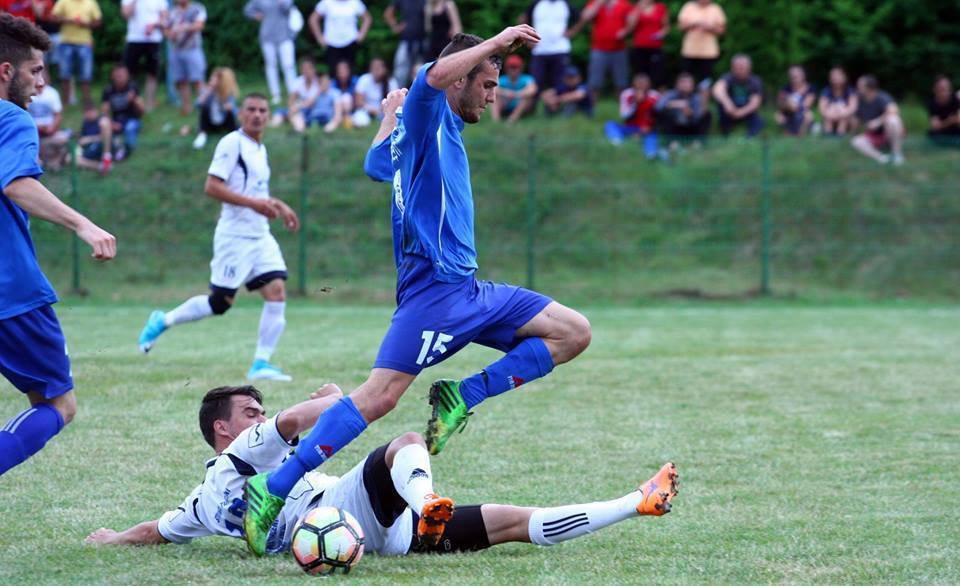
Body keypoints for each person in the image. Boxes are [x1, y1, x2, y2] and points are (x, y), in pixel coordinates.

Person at [243, 26, 595, 559]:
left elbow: (375, 164)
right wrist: (496, 41)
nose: (493, 95)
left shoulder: (424, 124)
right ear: (458, 80)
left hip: (470, 289)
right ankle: (271, 488)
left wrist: (390, 116)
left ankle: (463, 396)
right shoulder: (429, 109)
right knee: (378, 396)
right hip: (434, 292)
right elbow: (430, 79)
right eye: (487, 83)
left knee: (573, 332)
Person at [84, 385, 679, 555]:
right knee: (406, 443)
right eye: (249, 412)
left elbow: (159, 528)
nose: (259, 417)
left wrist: (112, 538)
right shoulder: (246, 450)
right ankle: (425, 505)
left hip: (360, 536)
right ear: (223, 429)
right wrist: (334, 396)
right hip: (336, 513)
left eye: (259, 411)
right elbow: (306, 414)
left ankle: (637, 502)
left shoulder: (203, 502)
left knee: (512, 524)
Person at [0, 13, 116, 476]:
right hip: (11, 292)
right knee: (57, 404)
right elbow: (15, 183)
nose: (42, 83)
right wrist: (84, 225)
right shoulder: (12, 118)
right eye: (35, 70)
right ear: (6, 71)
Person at [137, 94, 300, 381]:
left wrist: (279, 205)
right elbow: (212, 186)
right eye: (251, 109)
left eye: (263, 110)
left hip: (260, 235)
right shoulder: (231, 143)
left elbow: (256, 192)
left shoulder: (259, 149)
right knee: (220, 303)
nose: (257, 115)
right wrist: (254, 205)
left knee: (276, 292)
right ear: (241, 113)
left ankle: (260, 364)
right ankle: (163, 320)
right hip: (234, 237)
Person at [569, 0, 631, 100]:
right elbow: (585, 17)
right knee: (594, 82)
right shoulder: (595, 2)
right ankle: (591, 107)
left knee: (621, 82)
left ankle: (623, 107)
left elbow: (632, 19)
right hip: (598, 49)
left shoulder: (624, 3)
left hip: (619, 48)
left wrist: (626, 30)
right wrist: (599, 3)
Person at [244, 0, 298, 106]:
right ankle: (275, 95)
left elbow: (289, 9)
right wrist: (255, 15)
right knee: (271, 65)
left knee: (288, 65)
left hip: (285, 35)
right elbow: (247, 10)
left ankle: (293, 94)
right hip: (267, 36)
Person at [519, 0, 576, 97]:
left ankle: (557, 105)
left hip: (560, 50)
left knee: (560, 84)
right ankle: (532, 105)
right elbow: (522, 18)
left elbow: (581, 17)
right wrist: (527, 39)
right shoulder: (537, 3)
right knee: (536, 84)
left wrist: (572, 31)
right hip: (539, 50)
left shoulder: (565, 3)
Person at [51, 0, 100, 106]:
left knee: (86, 75)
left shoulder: (90, 2)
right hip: (66, 42)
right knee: (64, 74)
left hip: (85, 42)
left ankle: (87, 102)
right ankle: (64, 103)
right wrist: (68, 20)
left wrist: (86, 24)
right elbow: (53, 17)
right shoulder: (63, 1)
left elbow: (98, 21)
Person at [120, 0, 167, 111]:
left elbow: (165, 18)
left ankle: (150, 103)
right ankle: (129, 101)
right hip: (134, 38)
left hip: (154, 39)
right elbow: (125, 15)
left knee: (152, 73)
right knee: (129, 72)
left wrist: (154, 25)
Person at [851, 75, 905, 166]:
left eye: (860, 86)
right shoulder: (860, 100)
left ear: (868, 88)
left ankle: (897, 153)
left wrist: (878, 121)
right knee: (856, 141)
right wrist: (854, 129)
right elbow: (856, 120)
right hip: (874, 135)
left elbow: (894, 109)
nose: (857, 88)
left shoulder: (882, 96)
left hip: (889, 132)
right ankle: (882, 157)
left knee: (893, 120)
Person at [164, 0, 205, 117]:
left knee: (198, 80)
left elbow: (199, 25)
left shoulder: (197, 8)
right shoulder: (172, 12)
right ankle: (187, 108)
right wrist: (170, 34)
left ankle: (204, 107)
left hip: (193, 49)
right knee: (181, 80)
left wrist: (183, 28)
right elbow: (166, 29)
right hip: (176, 50)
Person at [604, 72, 659, 159]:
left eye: (643, 83)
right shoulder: (627, 94)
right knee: (609, 124)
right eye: (639, 83)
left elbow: (658, 115)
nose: (641, 85)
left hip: (648, 129)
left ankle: (651, 155)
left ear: (649, 84)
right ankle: (617, 144)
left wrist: (649, 128)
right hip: (631, 127)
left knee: (652, 135)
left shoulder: (654, 96)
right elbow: (624, 115)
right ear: (634, 83)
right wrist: (635, 104)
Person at [308, 0, 371, 73]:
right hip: (331, 43)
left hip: (350, 42)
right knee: (333, 72)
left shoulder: (355, 2)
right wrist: (320, 38)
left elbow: (367, 18)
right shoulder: (326, 2)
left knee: (350, 71)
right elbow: (313, 19)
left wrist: (361, 36)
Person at [711, 53, 763, 137]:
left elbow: (755, 103)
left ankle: (750, 137)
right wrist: (727, 103)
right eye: (737, 67)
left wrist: (739, 113)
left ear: (749, 68)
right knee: (722, 111)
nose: (739, 70)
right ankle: (726, 133)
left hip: (746, 110)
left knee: (758, 121)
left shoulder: (754, 81)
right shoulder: (728, 77)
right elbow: (717, 89)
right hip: (730, 109)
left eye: (742, 68)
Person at [27, 67, 68, 170]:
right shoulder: (27, 93)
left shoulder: (52, 93)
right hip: (31, 130)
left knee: (63, 138)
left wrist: (51, 128)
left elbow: (58, 115)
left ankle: (52, 160)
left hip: (49, 131)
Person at [100, 64, 144, 158]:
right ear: (113, 76)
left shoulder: (133, 87)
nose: (120, 78)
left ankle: (129, 150)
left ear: (127, 76)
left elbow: (142, 111)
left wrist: (134, 100)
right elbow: (104, 112)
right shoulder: (108, 90)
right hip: (116, 120)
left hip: (132, 119)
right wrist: (111, 123)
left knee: (130, 128)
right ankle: (112, 152)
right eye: (117, 75)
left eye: (122, 75)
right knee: (106, 129)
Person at [622, 0, 668, 88]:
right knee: (640, 74)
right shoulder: (636, 8)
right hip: (640, 47)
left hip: (655, 46)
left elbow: (666, 26)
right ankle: (639, 93)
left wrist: (661, 34)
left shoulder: (660, 7)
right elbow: (630, 27)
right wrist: (638, 10)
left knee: (658, 74)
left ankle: (656, 94)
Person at [677, 0, 725, 82]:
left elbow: (722, 31)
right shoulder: (688, 7)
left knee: (706, 80)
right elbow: (680, 27)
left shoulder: (715, 9)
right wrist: (693, 24)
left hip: (708, 52)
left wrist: (710, 28)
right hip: (690, 51)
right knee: (686, 77)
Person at [655, 71, 709, 142]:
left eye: (688, 82)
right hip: (674, 128)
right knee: (665, 115)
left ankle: (697, 142)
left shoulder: (696, 98)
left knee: (707, 115)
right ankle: (671, 142)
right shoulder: (670, 94)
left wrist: (690, 114)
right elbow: (658, 107)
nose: (685, 85)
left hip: (690, 128)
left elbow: (699, 116)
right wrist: (674, 104)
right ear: (677, 84)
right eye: (683, 82)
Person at [192, 66, 238, 149]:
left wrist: (228, 107)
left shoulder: (228, 95)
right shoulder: (207, 92)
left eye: (214, 79)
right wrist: (206, 95)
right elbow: (196, 106)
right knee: (204, 107)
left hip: (223, 123)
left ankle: (234, 135)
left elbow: (235, 112)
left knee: (229, 112)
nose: (211, 80)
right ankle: (202, 134)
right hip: (210, 123)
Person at [383, 0, 425, 88]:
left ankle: (418, 94)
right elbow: (388, 13)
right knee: (400, 72)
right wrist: (395, 27)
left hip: (423, 42)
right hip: (406, 41)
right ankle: (397, 94)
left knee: (421, 72)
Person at [353, 56, 399, 126]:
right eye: (373, 68)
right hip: (366, 111)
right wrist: (372, 110)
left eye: (378, 68)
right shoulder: (364, 79)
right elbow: (358, 102)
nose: (375, 71)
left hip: (386, 111)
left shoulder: (391, 82)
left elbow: (395, 102)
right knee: (360, 120)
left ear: (384, 69)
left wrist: (383, 110)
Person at [491, 53, 537, 124]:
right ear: (506, 68)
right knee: (495, 97)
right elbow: (493, 89)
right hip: (506, 105)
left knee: (527, 98)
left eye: (516, 67)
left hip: (523, 107)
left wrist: (516, 94)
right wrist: (506, 93)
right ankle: (496, 121)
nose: (513, 70)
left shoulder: (527, 78)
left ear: (521, 68)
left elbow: (533, 90)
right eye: (511, 67)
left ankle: (511, 120)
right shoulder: (502, 79)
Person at [775, 65, 815, 136]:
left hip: (802, 112)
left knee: (808, 115)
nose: (794, 79)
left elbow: (807, 104)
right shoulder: (785, 88)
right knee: (779, 116)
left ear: (803, 76)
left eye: (796, 76)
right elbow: (780, 103)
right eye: (792, 76)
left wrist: (792, 104)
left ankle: (801, 134)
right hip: (788, 111)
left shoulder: (810, 88)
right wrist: (788, 105)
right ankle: (787, 132)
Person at [75, 101, 114, 172]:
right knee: (71, 158)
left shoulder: (101, 120)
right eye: (87, 112)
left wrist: (89, 139)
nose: (90, 114)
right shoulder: (86, 123)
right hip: (89, 149)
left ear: (96, 111)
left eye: (91, 111)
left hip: (101, 147)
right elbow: (82, 137)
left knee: (105, 122)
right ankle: (100, 166)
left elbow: (105, 137)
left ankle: (106, 158)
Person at [817, 66, 857, 136]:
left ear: (844, 77)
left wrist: (841, 113)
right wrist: (830, 114)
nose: (835, 77)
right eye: (833, 75)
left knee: (844, 113)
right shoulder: (826, 90)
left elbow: (852, 108)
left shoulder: (850, 90)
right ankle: (828, 134)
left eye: (838, 75)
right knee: (830, 110)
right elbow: (822, 109)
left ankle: (840, 134)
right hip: (830, 116)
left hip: (846, 117)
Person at [926, 75, 960, 146]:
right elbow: (935, 126)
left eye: (947, 88)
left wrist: (944, 123)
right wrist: (950, 120)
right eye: (942, 89)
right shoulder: (932, 103)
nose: (945, 92)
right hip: (940, 134)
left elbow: (958, 120)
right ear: (935, 89)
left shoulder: (955, 100)